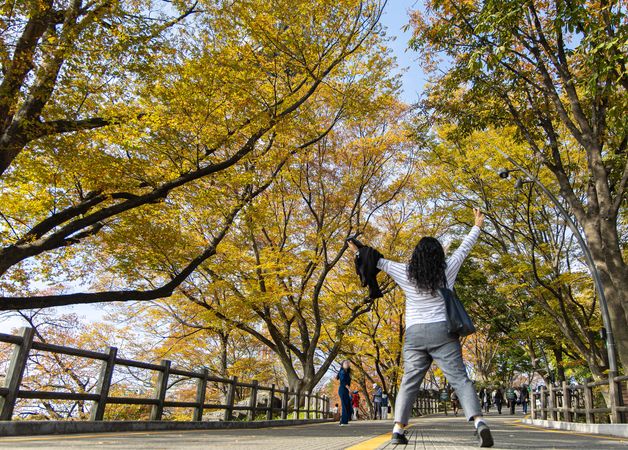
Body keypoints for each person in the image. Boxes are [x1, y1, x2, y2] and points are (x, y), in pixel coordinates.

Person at [349, 208, 493, 447]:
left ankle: (397, 430)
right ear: (438, 256)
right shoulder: (447, 270)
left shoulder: (406, 271)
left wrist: (358, 251)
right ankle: (479, 422)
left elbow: (377, 260)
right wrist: (477, 225)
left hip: (415, 334)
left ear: (416, 255)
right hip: (443, 332)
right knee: (460, 379)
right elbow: (464, 248)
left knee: (409, 381)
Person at [336, 360, 352, 425]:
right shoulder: (342, 372)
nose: (347, 364)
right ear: (342, 365)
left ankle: (344, 420)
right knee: (345, 405)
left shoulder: (347, 372)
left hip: (346, 390)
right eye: (346, 363)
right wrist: (349, 389)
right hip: (343, 390)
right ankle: (343, 421)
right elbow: (343, 381)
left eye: (348, 363)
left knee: (348, 405)